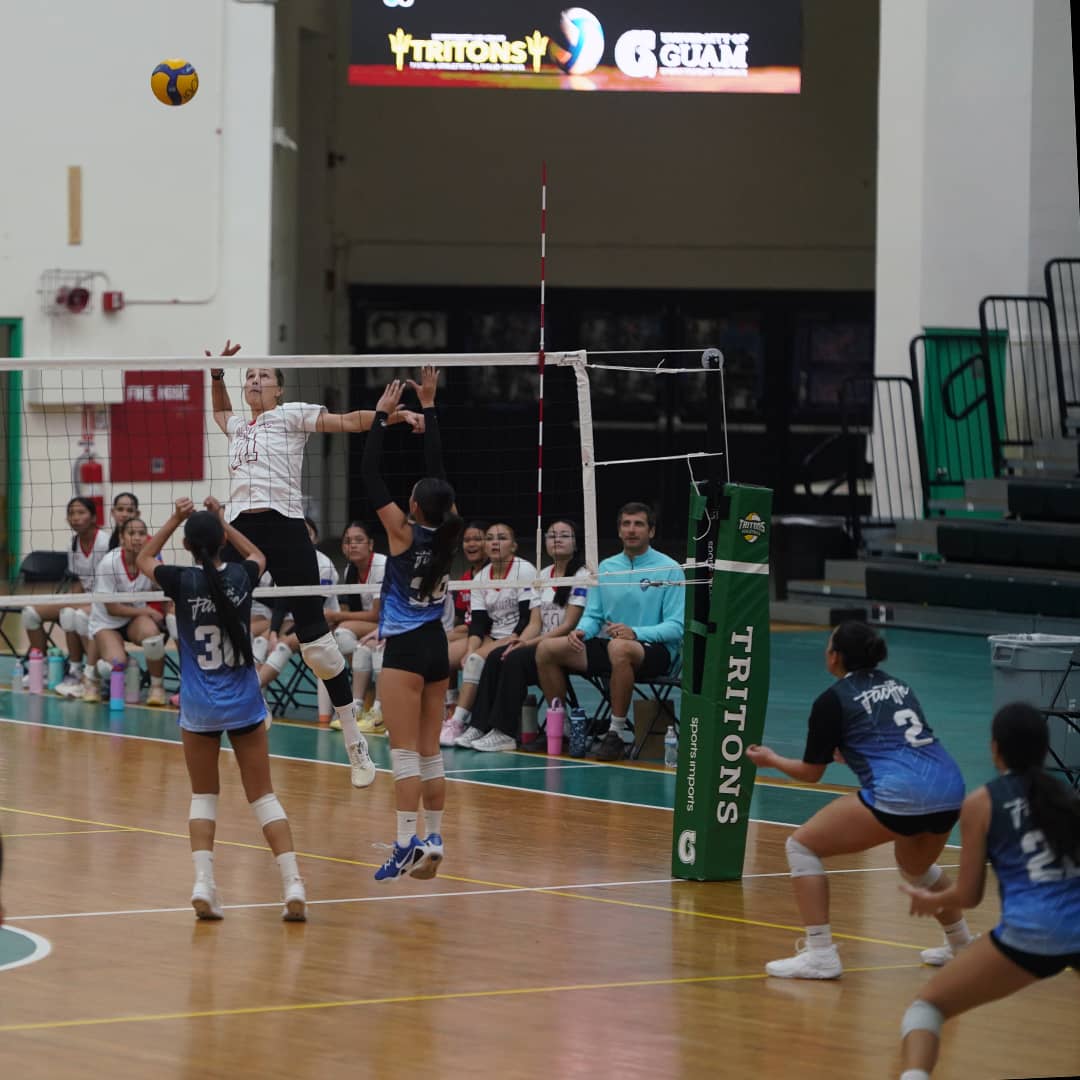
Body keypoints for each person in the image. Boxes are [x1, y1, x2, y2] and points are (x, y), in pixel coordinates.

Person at [207, 341, 420, 789]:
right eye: (250, 377)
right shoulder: (239, 427)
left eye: (264, 377)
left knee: (317, 643)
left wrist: (391, 416)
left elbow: (347, 422)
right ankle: (250, 702)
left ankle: (353, 744)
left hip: (285, 527)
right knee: (223, 618)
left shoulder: (292, 415)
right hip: (241, 529)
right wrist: (216, 377)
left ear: (280, 390)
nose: (255, 381)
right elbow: (220, 414)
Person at [745, 621, 974, 980]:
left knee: (801, 846)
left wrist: (771, 760)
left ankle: (820, 954)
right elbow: (896, 741)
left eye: (828, 645)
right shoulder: (900, 686)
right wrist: (850, 753)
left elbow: (811, 773)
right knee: (916, 868)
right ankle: (962, 945)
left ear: (835, 656)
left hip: (902, 795)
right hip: (949, 787)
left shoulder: (832, 700)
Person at [137, 497, 307, 922]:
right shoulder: (239, 575)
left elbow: (143, 556)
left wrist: (175, 516)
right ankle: (293, 885)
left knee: (203, 796)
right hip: (245, 702)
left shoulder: (180, 581)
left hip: (199, 708)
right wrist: (222, 521)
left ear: (188, 546)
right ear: (218, 544)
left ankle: (204, 885)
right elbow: (257, 555)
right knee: (263, 796)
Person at [898, 703, 1080, 1079]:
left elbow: (969, 896)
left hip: (1028, 937)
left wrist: (932, 899)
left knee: (926, 1008)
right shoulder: (1067, 796)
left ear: (994, 748)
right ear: (1044, 749)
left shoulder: (981, 803)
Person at [360, 366, 461, 881]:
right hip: (436, 648)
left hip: (402, 649)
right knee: (430, 751)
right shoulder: (451, 531)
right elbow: (439, 473)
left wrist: (382, 417)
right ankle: (436, 835)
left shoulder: (401, 533)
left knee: (402, 756)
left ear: (415, 505)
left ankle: (405, 844)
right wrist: (430, 407)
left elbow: (370, 474)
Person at [534, 502, 684, 761]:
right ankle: (564, 729)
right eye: (626, 524)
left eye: (638, 524)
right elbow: (593, 616)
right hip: (614, 646)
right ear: (618, 531)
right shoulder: (606, 568)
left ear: (651, 531)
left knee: (619, 647)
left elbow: (676, 627)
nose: (631, 530)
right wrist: (581, 631)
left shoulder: (670, 568)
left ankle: (614, 734)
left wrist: (635, 633)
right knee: (548, 649)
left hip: (656, 652)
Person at [455, 519, 590, 752]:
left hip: (567, 644)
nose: (556, 539)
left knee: (514, 658)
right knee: (498, 655)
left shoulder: (582, 575)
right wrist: (522, 641)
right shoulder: (542, 574)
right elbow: (535, 620)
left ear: (576, 543)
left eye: (564, 536)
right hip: (540, 643)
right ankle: (480, 726)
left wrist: (528, 643)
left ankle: (505, 732)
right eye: (551, 535)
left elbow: (569, 625)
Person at [440, 522, 537, 746]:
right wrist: (471, 648)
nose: (495, 542)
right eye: (491, 538)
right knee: (455, 656)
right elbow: (478, 624)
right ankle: (446, 716)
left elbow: (526, 618)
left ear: (513, 546)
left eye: (502, 538)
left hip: (519, 635)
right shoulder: (480, 578)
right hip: (492, 636)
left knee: (475, 661)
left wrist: (509, 639)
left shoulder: (524, 570)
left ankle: (460, 722)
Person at [22, 497, 108, 698]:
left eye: (81, 513)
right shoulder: (74, 543)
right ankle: (40, 667)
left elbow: (109, 583)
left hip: (104, 600)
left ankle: (82, 673)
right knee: (30, 612)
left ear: (93, 517)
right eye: (71, 513)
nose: (75, 518)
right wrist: (67, 598)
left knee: (71, 614)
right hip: (84, 597)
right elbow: (79, 581)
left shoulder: (104, 542)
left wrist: (76, 602)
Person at [87, 516, 169, 706]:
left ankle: (157, 687)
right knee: (114, 665)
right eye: (131, 533)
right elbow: (112, 608)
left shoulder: (150, 562)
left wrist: (170, 614)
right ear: (122, 538)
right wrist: (146, 612)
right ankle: (92, 675)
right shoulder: (109, 563)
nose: (137, 538)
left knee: (153, 638)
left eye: (142, 533)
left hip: (133, 620)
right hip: (106, 622)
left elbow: (164, 591)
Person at [327, 522, 387, 733]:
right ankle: (358, 705)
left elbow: (376, 614)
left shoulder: (381, 565)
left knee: (343, 631)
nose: (352, 545)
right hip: (373, 627)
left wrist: (336, 615)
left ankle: (378, 707)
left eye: (359, 540)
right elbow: (353, 608)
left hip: (392, 622)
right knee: (351, 641)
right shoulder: (351, 569)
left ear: (371, 544)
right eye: (347, 541)